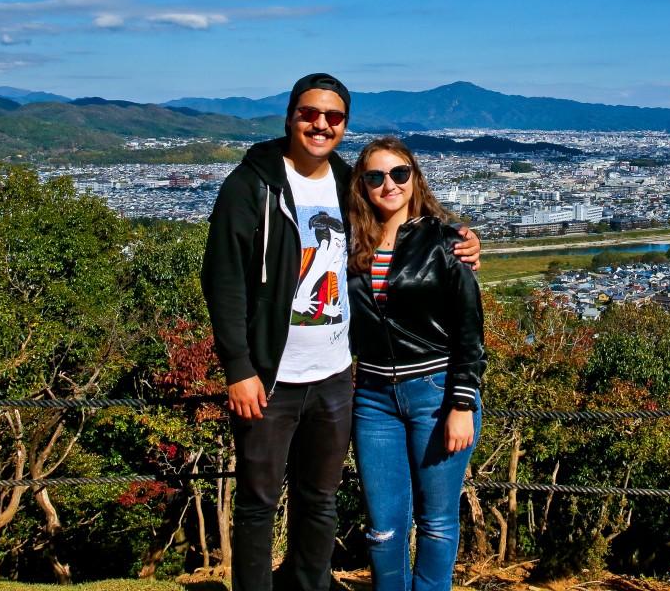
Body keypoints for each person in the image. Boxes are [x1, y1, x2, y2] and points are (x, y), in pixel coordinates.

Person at [201, 74, 479, 591]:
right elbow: (223, 280)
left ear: (345, 125)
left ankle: (311, 585)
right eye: (310, 113)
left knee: (320, 499)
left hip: (336, 377)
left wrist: (461, 240)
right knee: (259, 501)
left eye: (334, 117)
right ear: (290, 115)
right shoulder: (252, 184)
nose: (321, 124)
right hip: (270, 375)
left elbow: (408, 233)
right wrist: (238, 366)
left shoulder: (348, 184)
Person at [347, 136, 486, 591]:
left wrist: (462, 403)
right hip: (372, 396)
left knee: (437, 520)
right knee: (383, 524)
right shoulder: (347, 245)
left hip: (436, 389)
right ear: (362, 185)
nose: (389, 184)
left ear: (414, 177)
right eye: (376, 176)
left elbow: (470, 330)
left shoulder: (448, 241)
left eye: (399, 173)